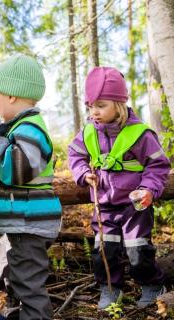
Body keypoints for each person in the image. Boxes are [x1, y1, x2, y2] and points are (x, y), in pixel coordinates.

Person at [68, 66, 170, 309]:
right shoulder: (89, 133)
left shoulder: (140, 134)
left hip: (135, 205)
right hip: (104, 205)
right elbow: (75, 156)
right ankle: (110, 289)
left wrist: (147, 189)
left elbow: (157, 166)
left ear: (119, 104)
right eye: (90, 105)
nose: (94, 112)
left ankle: (152, 284)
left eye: (101, 105)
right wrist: (83, 173)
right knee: (105, 248)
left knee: (138, 249)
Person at [0, 54, 62, 320]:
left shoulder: (29, 128)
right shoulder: (20, 127)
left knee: (28, 286)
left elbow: (15, 171)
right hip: (23, 223)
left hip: (29, 224)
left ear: (12, 96)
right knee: (16, 279)